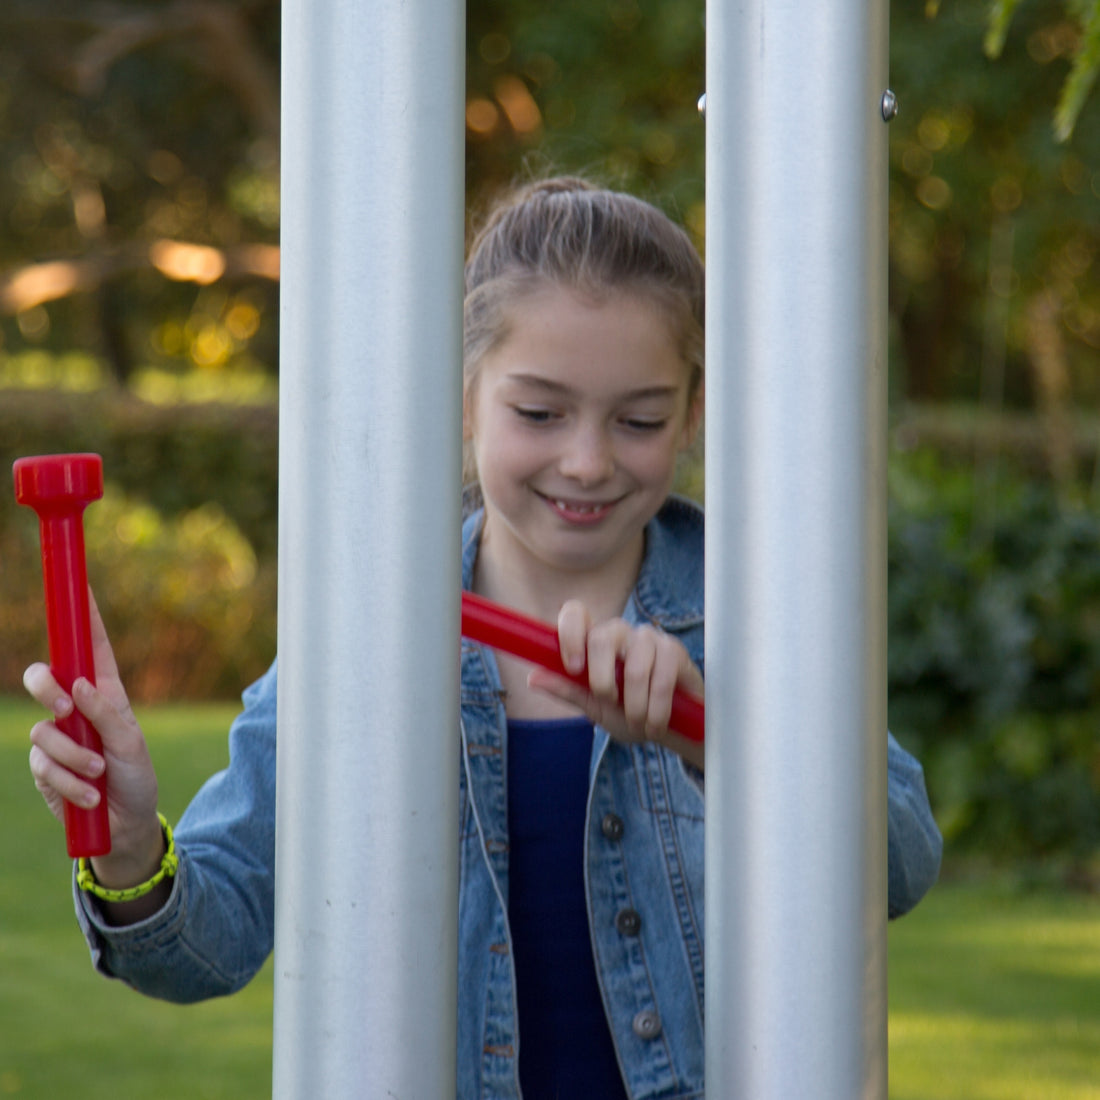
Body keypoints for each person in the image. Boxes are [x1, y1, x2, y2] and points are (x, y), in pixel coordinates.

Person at [25, 177, 943, 1100]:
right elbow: (202, 950)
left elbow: (901, 861)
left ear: (692, 415)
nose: (587, 460)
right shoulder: (364, 629)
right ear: (464, 400)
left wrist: (712, 734)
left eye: (640, 420)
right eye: (539, 414)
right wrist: (133, 842)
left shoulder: (763, 611)